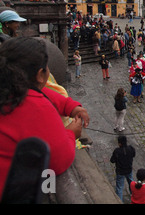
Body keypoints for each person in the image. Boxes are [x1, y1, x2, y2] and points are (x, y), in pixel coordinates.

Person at [0, 37, 84, 199]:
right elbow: (59, 159)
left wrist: (69, 105)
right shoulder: (36, 107)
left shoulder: (9, 88)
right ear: (40, 75)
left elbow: (42, 92)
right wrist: (71, 133)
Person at [110, 135, 136, 201]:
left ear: (119, 143)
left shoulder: (117, 151)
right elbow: (134, 155)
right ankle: (133, 194)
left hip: (120, 171)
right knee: (131, 182)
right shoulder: (131, 148)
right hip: (129, 169)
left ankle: (119, 201)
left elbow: (112, 160)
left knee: (119, 187)